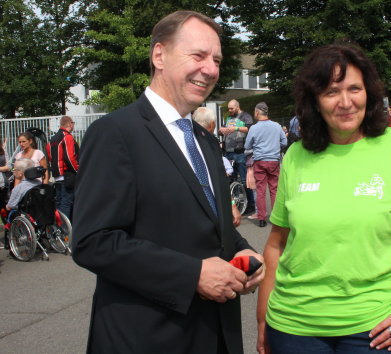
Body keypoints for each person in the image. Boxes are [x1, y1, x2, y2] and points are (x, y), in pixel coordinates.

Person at [72, 11, 264, 354]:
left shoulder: (204, 141)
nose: (210, 69)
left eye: (216, 60)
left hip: (216, 334)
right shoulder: (116, 133)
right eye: (198, 55)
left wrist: (242, 250)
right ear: (159, 55)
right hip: (147, 337)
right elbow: (93, 241)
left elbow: (215, 222)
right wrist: (192, 275)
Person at [257, 41, 391, 354]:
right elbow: (276, 244)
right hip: (292, 328)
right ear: (315, 101)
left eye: (354, 88)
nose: (345, 102)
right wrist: (263, 320)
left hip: (379, 332)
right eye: (331, 91)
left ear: (368, 92)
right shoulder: (297, 155)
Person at [193, 106, 241, 227]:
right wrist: (232, 205)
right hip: (212, 208)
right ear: (212, 125)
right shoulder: (212, 144)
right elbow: (220, 178)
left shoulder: (186, 141)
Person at [244, 102, 287, 228]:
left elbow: (247, 146)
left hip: (260, 161)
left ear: (257, 112)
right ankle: (275, 217)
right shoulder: (277, 126)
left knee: (260, 190)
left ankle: (261, 218)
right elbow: (284, 141)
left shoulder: (254, 128)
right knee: (274, 190)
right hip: (274, 160)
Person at [219, 99, 256, 215]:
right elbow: (225, 130)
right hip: (228, 152)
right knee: (230, 179)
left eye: (231, 108)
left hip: (240, 151)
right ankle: (235, 205)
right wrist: (222, 130)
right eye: (228, 108)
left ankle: (251, 205)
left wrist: (235, 128)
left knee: (245, 179)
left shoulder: (245, 116)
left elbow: (250, 128)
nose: (229, 110)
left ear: (237, 106)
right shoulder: (229, 118)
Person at [47, 115, 79, 220]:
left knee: (59, 202)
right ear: (70, 124)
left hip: (56, 175)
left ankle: (58, 228)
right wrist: (78, 169)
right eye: (73, 123)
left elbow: (50, 156)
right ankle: (66, 230)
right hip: (67, 175)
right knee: (67, 203)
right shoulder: (67, 136)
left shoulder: (53, 139)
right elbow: (70, 157)